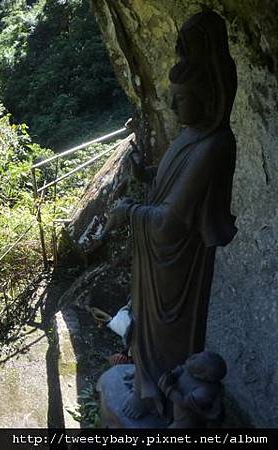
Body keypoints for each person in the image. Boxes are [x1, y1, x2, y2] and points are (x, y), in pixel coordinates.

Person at [103, 11, 238, 419]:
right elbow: (168, 191)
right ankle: (145, 383)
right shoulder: (190, 135)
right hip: (160, 257)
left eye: (181, 97)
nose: (171, 103)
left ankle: (160, 397)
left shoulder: (215, 144)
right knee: (144, 318)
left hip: (182, 258)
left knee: (170, 331)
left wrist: (127, 211)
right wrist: (146, 177)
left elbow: (170, 220)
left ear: (209, 96)